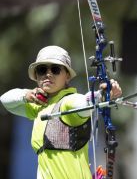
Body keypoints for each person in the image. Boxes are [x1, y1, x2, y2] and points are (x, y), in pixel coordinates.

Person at [0, 45, 122, 179]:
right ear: (36, 76)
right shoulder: (39, 107)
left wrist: (102, 95)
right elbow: (5, 101)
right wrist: (27, 94)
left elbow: (85, 102)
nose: (48, 74)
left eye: (55, 69)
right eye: (42, 70)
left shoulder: (68, 103)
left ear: (67, 76)